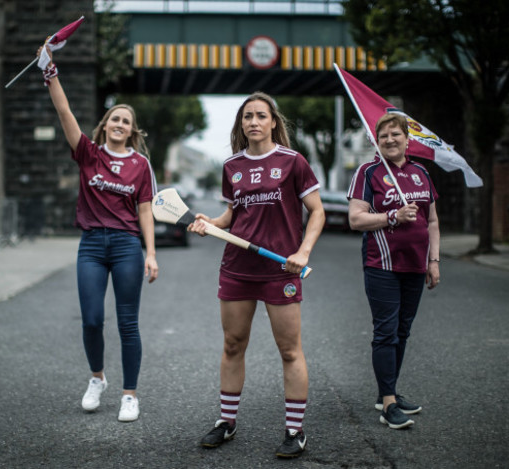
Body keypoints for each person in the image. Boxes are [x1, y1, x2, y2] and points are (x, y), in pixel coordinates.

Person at [188, 92, 325, 459]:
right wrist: (208, 223)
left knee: (289, 350)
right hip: (237, 267)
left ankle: (295, 431)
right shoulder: (232, 166)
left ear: (273, 122)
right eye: (247, 116)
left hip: (281, 267)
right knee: (233, 344)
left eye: (260, 115)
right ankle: (226, 422)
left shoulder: (293, 161)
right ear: (241, 124)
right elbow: (231, 218)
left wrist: (303, 251)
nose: (253, 121)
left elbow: (317, 211)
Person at [36, 43, 159, 422]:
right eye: (114, 119)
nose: (119, 124)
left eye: (126, 121)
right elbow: (64, 111)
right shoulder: (88, 153)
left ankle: (129, 395)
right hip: (90, 244)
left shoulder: (141, 165)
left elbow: (145, 211)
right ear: (105, 125)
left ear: (132, 130)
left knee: (127, 322)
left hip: (125, 246)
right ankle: (97, 378)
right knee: (91, 319)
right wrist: (49, 72)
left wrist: (151, 253)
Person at [347, 113, 440, 429]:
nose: (389, 140)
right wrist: (392, 217)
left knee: (403, 330)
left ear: (407, 139)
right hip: (382, 264)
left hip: (416, 264)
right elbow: (356, 219)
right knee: (386, 331)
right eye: (383, 135)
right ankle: (388, 404)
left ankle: (388, 392)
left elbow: (432, 221)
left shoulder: (421, 173)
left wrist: (434, 261)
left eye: (395, 134)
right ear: (377, 140)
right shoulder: (368, 172)